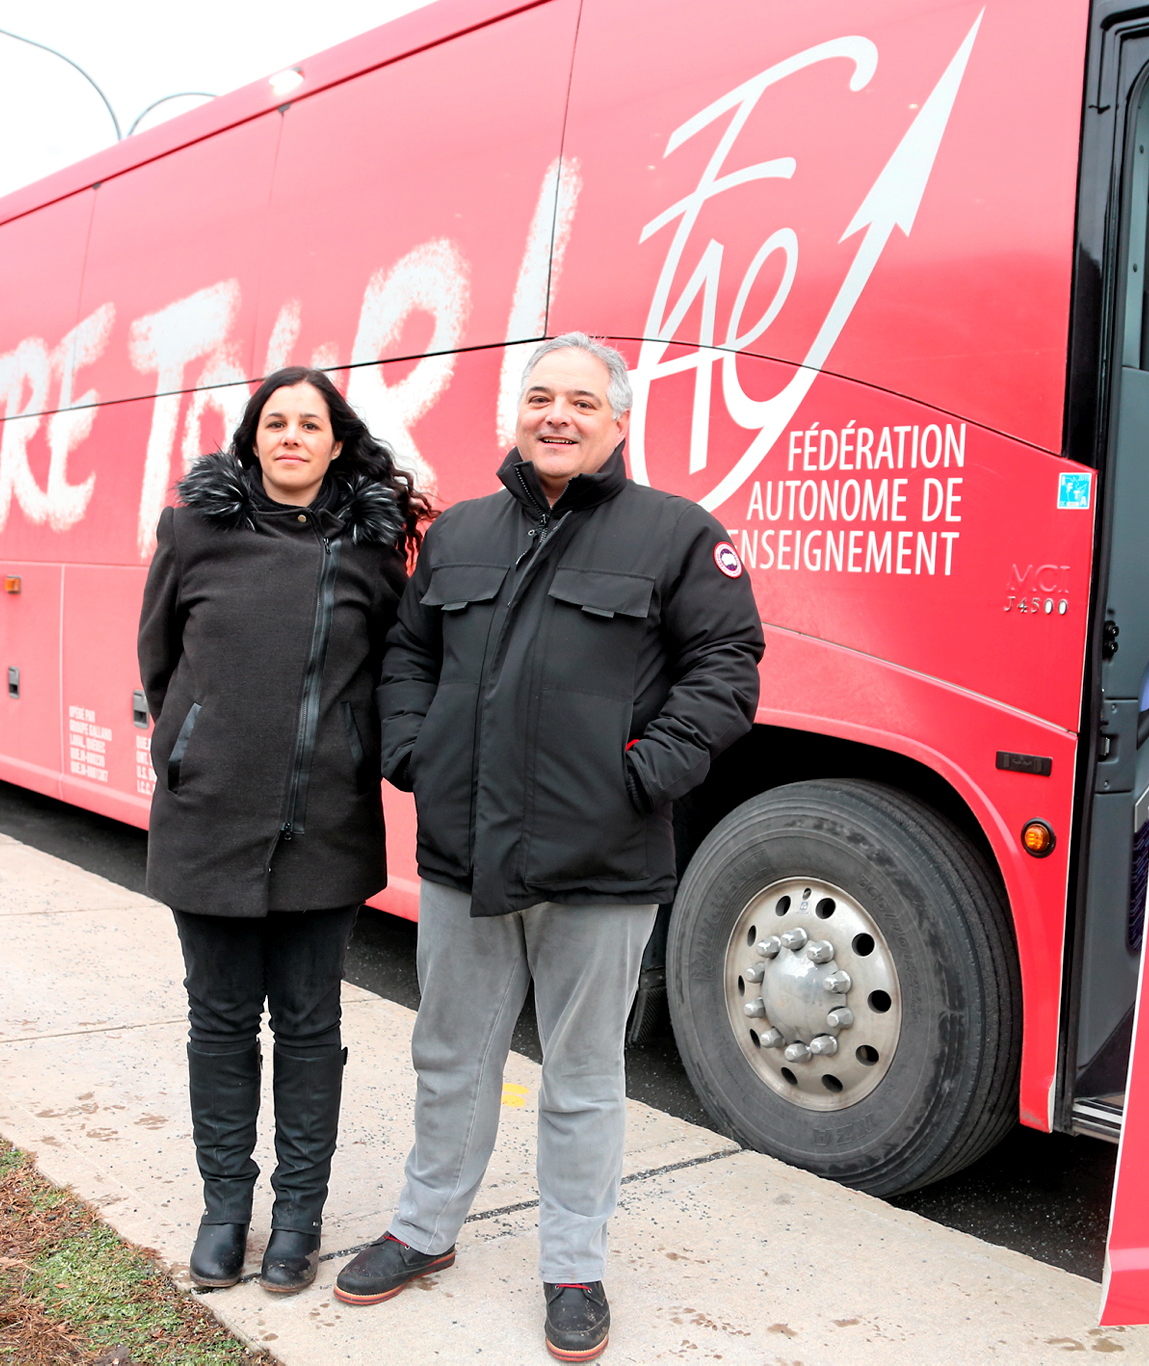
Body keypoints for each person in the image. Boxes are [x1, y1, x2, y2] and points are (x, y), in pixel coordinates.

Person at [334, 334, 764, 1361]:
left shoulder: (675, 533)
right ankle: (425, 1226)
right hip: (463, 854)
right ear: (514, 416)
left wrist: (640, 777)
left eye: (579, 400)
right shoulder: (461, 535)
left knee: (581, 1074)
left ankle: (573, 1264)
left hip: (602, 863)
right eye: (537, 397)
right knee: (450, 1055)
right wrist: (413, 753)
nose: (555, 414)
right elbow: (408, 653)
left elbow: (727, 666)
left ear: (618, 422)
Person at [138, 366, 429, 1294]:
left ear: (337, 442)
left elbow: (393, 677)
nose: (293, 436)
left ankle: (299, 1216)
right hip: (208, 819)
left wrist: (348, 757)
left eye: (312, 423)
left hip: (325, 830)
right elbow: (158, 659)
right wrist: (190, 746)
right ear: (252, 438)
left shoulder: (373, 553)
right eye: (277, 422)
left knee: (310, 1026)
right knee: (218, 1022)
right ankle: (227, 1210)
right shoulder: (195, 530)